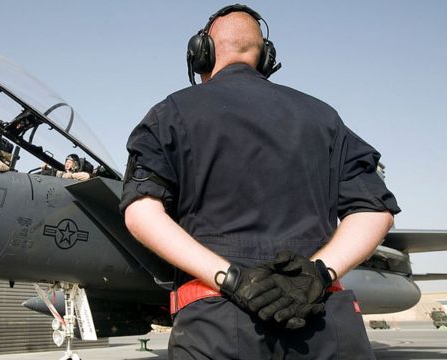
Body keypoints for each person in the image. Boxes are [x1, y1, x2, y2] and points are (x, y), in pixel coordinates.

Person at [120, 4, 400, 359]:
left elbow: (142, 213)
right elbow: (376, 211)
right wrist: (316, 274)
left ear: (200, 53)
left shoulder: (170, 114)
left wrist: (233, 278)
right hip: (323, 324)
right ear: (266, 56)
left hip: (217, 327)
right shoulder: (325, 118)